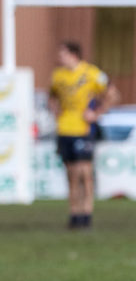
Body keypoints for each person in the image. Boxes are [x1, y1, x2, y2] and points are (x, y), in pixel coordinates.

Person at [49, 41, 119, 229]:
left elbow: (112, 93)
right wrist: (55, 112)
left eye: (62, 54)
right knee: (71, 173)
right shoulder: (58, 76)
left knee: (84, 173)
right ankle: (74, 214)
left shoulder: (91, 73)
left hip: (83, 129)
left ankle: (87, 213)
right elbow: (53, 97)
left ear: (74, 55)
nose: (59, 58)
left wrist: (96, 113)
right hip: (65, 129)